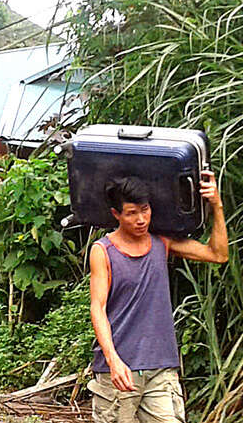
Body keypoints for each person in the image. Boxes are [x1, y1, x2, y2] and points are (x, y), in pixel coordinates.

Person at [87, 171, 228, 423]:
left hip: (161, 367)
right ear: (116, 214)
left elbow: (217, 254)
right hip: (119, 371)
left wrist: (216, 205)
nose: (141, 219)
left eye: (145, 209)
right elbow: (97, 308)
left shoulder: (162, 242)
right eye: (131, 213)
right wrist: (113, 360)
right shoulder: (102, 251)